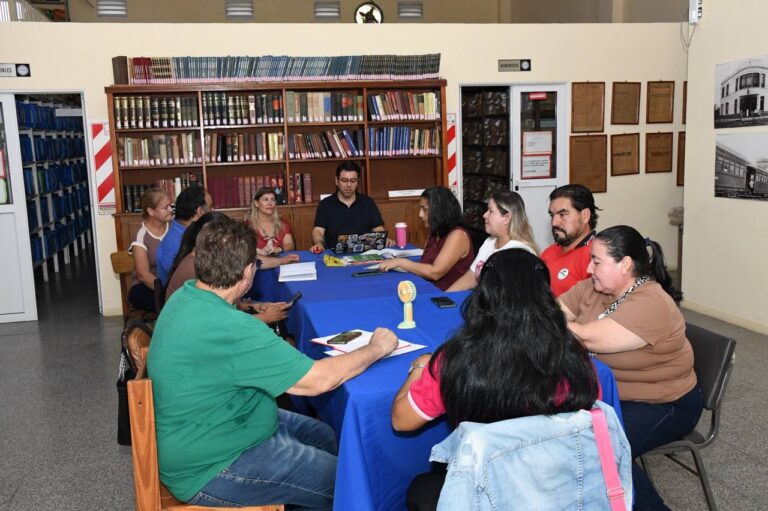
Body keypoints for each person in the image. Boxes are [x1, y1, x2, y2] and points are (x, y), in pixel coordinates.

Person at [148, 220, 398, 509]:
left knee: (326, 434)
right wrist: (376, 348)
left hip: (218, 427)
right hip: (213, 465)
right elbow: (318, 380)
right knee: (351, 485)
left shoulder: (186, 295)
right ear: (247, 272)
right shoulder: (233, 328)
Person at [391, 249, 603, 510]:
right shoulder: (574, 357)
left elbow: (401, 421)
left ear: (483, 296)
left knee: (421, 488)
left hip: (487, 489)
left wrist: (419, 370)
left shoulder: (456, 359)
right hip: (561, 483)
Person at [559, 225, 701, 510]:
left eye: (596, 261)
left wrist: (560, 323)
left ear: (625, 264)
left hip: (663, 403)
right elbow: (556, 311)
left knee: (601, 449)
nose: (588, 268)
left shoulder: (651, 302)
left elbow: (587, 337)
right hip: (609, 396)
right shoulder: (594, 288)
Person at [165, 212, 295, 324]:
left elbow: (220, 304)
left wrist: (254, 306)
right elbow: (222, 325)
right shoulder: (197, 269)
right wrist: (264, 318)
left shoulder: (202, 261)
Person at [378, 187, 472, 291]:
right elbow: (425, 264)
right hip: (430, 289)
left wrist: (401, 262)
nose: (420, 214)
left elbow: (435, 272)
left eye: (424, 209)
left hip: (448, 296)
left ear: (440, 211)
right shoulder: (435, 232)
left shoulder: (457, 235)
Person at [446, 190, 538, 291]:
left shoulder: (518, 253)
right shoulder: (490, 242)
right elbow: (471, 277)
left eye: (491, 211)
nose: (484, 215)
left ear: (506, 218)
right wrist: (446, 295)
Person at [310, 161, 388, 253]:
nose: (349, 185)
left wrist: (383, 239)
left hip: (364, 253)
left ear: (357, 182)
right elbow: (318, 230)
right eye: (344, 180)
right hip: (334, 254)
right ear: (336, 181)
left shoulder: (368, 203)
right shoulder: (325, 204)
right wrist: (319, 243)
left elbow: (378, 228)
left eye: (353, 181)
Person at [540, 184, 600, 296]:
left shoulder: (596, 257)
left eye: (563, 214)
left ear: (585, 216)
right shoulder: (548, 253)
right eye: (552, 215)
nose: (554, 222)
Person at [155, 186, 213, 285]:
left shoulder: (182, 233)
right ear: (200, 212)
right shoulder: (176, 243)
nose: (213, 211)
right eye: (211, 207)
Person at [127, 188, 172, 312]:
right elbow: (142, 274)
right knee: (170, 305)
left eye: (170, 206)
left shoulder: (175, 228)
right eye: (165, 207)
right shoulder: (140, 235)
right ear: (151, 211)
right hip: (147, 286)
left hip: (174, 285)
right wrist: (166, 291)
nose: (170, 210)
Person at [245, 187, 296, 255]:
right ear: (256, 203)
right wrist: (255, 252)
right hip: (259, 263)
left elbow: (290, 245)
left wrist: (279, 249)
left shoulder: (283, 224)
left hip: (281, 262)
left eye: (273, 200)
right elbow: (243, 249)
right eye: (265, 199)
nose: (270, 203)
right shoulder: (247, 226)